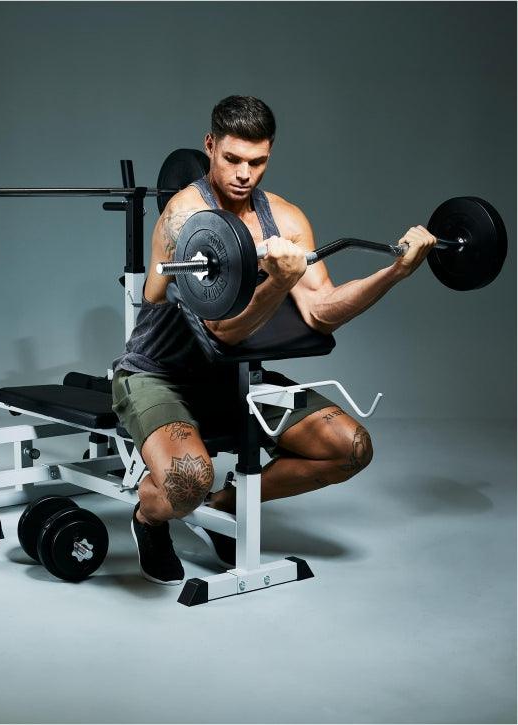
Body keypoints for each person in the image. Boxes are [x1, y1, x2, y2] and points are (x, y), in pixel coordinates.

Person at [111, 95, 437, 585]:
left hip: (236, 378)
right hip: (159, 375)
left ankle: (225, 504)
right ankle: (148, 519)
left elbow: (321, 310)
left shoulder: (285, 219)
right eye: (233, 159)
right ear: (210, 145)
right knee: (186, 482)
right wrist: (281, 281)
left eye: (258, 161)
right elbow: (223, 331)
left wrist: (394, 273)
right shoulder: (185, 218)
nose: (245, 174)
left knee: (349, 448)